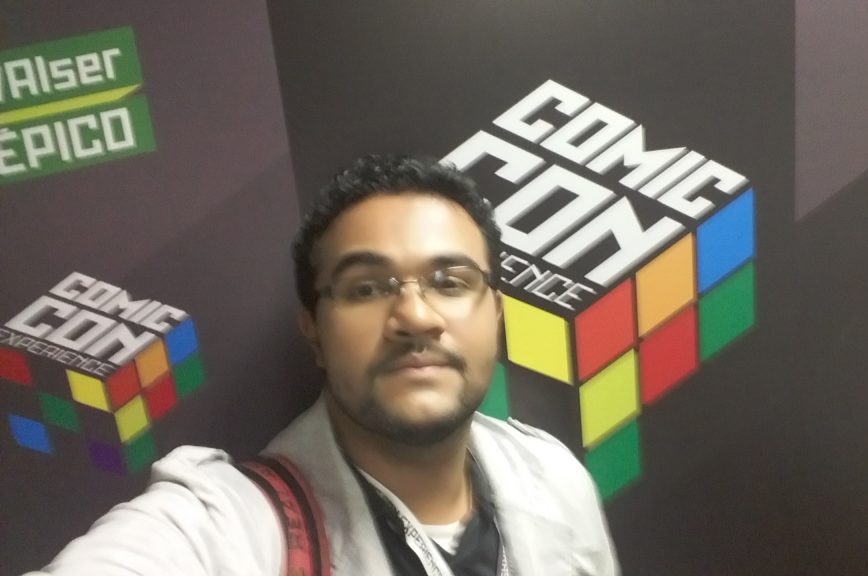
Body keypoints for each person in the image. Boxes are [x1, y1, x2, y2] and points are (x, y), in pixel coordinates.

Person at [28, 154, 619, 576]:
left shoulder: (555, 477)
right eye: (367, 288)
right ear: (313, 329)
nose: (415, 316)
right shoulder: (233, 526)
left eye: (450, 281)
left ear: (496, 314)